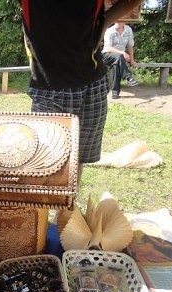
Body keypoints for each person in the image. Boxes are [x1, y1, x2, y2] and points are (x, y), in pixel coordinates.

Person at [18, 0, 143, 180]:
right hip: (50, 87)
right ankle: (48, 206)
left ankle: (68, 207)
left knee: (78, 158)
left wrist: (106, 21)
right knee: (43, 163)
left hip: (92, 83)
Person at [102, 22, 139, 99]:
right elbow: (108, 48)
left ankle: (115, 93)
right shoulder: (109, 31)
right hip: (107, 55)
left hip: (120, 58)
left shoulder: (128, 30)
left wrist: (132, 60)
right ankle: (128, 77)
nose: (118, 22)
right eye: (116, 20)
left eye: (120, 20)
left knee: (117, 64)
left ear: (124, 21)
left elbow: (130, 46)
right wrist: (122, 52)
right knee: (119, 57)